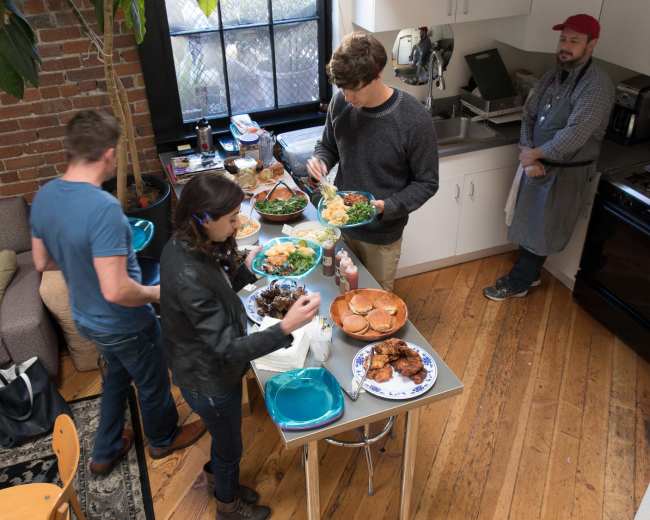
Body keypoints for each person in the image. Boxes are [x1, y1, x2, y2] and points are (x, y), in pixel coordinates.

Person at [30, 110, 206, 476]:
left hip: (85, 317)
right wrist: (159, 293)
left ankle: (105, 450)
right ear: (109, 154)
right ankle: (162, 439)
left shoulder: (45, 196)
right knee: (153, 379)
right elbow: (117, 290)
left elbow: (42, 261)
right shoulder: (104, 209)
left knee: (116, 375)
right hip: (124, 322)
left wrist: (84, 261)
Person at [160, 174, 320, 520]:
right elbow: (227, 349)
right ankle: (228, 506)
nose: (236, 226)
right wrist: (287, 326)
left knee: (224, 440)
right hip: (208, 380)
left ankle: (221, 480)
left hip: (199, 365)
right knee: (231, 446)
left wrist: (245, 270)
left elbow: (218, 291)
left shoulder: (183, 244)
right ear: (204, 218)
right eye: (231, 219)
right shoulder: (188, 275)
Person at [484, 14, 615, 301]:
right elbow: (529, 113)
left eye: (574, 41)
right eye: (563, 39)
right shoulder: (553, 75)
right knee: (529, 222)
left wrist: (536, 154)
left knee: (543, 229)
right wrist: (527, 150)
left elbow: (576, 133)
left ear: (592, 44)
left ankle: (519, 282)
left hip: (566, 171)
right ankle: (527, 275)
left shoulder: (596, 86)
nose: (565, 46)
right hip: (537, 164)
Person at [308, 31, 439, 291]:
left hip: (382, 235)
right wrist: (320, 161)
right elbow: (328, 145)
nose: (346, 97)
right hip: (340, 226)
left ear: (377, 74)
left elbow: (427, 182)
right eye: (341, 89)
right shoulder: (341, 103)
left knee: (372, 300)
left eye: (353, 89)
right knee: (338, 293)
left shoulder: (414, 119)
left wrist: (386, 207)